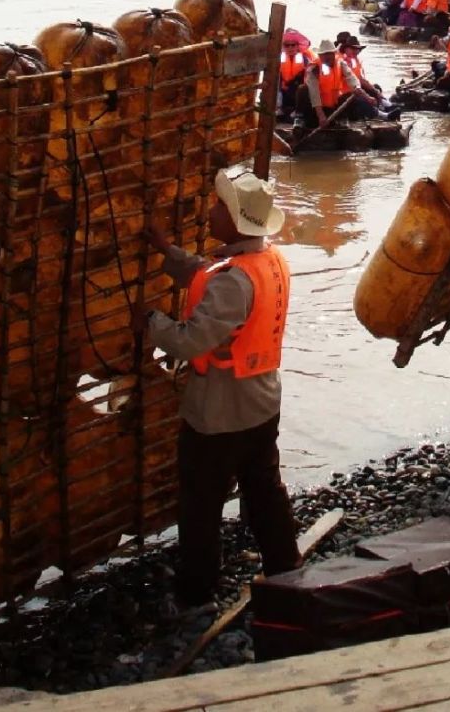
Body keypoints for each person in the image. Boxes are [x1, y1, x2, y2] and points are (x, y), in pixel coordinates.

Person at [137, 170, 302, 604]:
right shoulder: (266, 262)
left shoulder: (234, 280)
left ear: (234, 221)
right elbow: (205, 273)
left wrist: (151, 322)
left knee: (201, 503)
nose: (210, 211)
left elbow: (192, 339)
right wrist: (165, 251)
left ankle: (197, 591)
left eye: (218, 206)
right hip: (262, 401)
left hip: (220, 414)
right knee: (264, 488)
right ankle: (287, 569)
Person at [298, 40, 384, 126]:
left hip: (335, 107)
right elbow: (314, 93)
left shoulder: (340, 63)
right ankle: (300, 119)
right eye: (324, 54)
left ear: (334, 53)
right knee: (303, 90)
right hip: (317, 108)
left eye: (329, 53)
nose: (327, 57)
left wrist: (367, 97)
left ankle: (344, 119)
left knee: (352, 94)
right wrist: (321, 115)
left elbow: (352, 79)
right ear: (320, 55)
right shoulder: (314, 68)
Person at [278, 29, 316, 116]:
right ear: (283, 47)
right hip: (283, 93)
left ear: (297, 46)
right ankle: (278, 108)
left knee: (303, 89)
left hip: (297, 92)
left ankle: (298, 112)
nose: (290, 48)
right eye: (287, 45)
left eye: (293, 45)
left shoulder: (305, 60)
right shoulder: (277, 60)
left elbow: (309, 80)